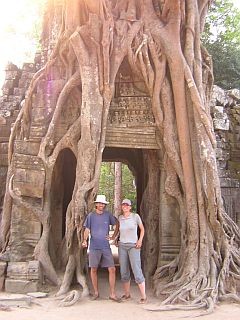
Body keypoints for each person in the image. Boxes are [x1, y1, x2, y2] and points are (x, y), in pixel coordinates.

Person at [82, 194, 120, 302]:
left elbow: (117, 223)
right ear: (96, 204)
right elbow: (87, 230)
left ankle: (112, 294)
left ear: (104, 205)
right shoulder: (91, 216)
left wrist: (113, 236)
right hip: (94, 246)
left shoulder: (108, 215)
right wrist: (85, 240)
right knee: (93, 269)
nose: (101, 205)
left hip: (105, 247)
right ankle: (96, 292)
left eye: (103, 203)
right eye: (99, 203)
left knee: (112, 269)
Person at [118, 198, 147, 304]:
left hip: (133, 246)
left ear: (130, 207)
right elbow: (118, 230)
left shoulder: (135, 216)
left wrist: (140, 240)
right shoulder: (120, 218)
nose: (125, 206)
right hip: (122, 246)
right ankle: (127, 294)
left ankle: (144, 296)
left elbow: (142, 229)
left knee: (136, 269)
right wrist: (113, 238)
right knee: (124, 271)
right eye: (123, 205)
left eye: (127, 205)